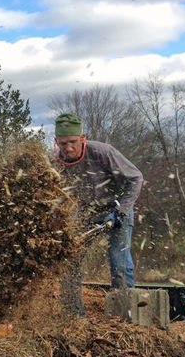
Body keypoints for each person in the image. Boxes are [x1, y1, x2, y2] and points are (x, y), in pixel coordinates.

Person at [53, 113, 143, 316]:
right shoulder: (55, 164)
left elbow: (136, 178)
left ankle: (125, 314)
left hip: (117, 208)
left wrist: (120, 211)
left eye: (73, 142)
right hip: (85, 212)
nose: (68, 148)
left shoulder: (103, 153)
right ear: (56, 141)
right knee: (70, 258)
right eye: (63, 143)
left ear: (82, 138)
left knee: (118, 260)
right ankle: (73, 315)